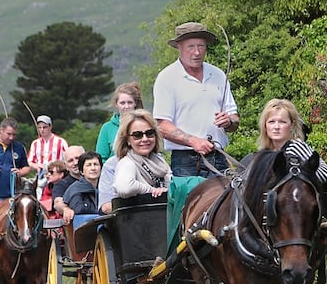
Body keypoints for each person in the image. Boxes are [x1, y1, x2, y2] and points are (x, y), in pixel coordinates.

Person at [153, 21, 239, 177]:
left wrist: (229, 121)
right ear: (179, 47)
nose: (197, 52)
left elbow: (234, 118)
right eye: (191, 47)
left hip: (218, 156)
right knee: (188, 201)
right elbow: (162, 126)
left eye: (201, 46)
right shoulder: (167, 78)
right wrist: (193, 141)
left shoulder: (218, 74)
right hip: (186, 161)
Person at [255, 98, 327, 198]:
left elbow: (324, 174)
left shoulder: (296, 147)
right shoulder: (264, 153)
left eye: (282, 122)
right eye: (271, 122)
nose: (276, 127)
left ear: (292, 125)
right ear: (265, 126)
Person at [113, 109, 171, 199]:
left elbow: (174, 187)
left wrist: (167, 191)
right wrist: (152, 191)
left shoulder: (160, 162)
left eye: (149, 133)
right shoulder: (127, 163)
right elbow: (125, 188)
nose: (145, 139)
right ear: (128, 140)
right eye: (137, 135)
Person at [95, 82, 143, 160]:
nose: (126, 106)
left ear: (135, 103)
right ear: (116, 104)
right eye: (122, 103)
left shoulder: (143, 125)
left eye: (130, 102)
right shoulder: (107, 128)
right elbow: (101, 157)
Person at [61, 151, 102, 226]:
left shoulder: (106, 187)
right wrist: (102, 210)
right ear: (81, 171)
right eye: (88, 165)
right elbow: (79, 209)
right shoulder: (75, 189)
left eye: (96, 164)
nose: (93, 168)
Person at [51, 145, 85, 217]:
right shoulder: (61, 185)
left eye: (77, 158)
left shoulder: (98, 180)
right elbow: (57, 202)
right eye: (70, 161)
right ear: (65, 165)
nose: (75, 163)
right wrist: (65, 209)